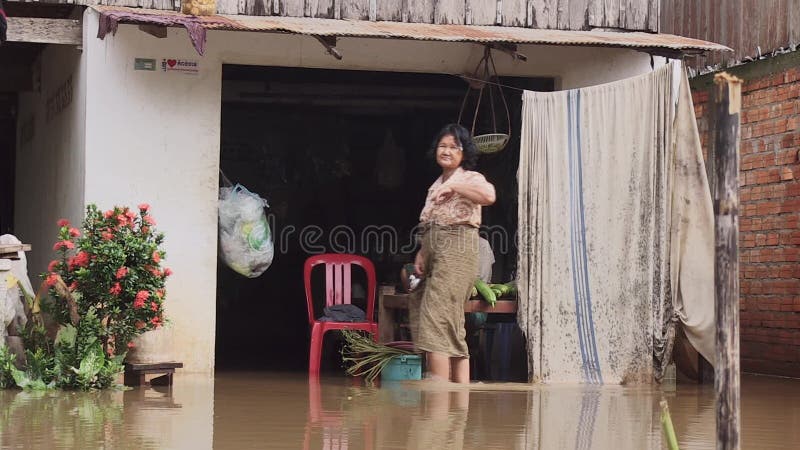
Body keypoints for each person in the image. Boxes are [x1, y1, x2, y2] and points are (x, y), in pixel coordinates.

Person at [409, 123, 496, 383]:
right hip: (435, 252)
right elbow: (430, 223)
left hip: (457, 250)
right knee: (449, 322)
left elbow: (489, 196)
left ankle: (437, 386)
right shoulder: (435, 185)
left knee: (435, 317)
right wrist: (422, 253)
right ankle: (459, 398)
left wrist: (456, 187)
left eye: (453, 147)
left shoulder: (470, 178)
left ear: (464, 153)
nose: (446, 151)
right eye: (442, 146)